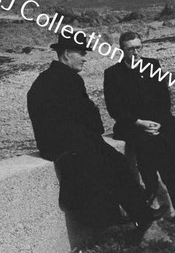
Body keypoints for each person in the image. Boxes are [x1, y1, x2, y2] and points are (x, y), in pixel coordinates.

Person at [26, 30, 166, 241]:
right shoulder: (70, 80)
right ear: (66, 55)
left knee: (113, 164)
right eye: (81, 53)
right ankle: (138, 216)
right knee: (117, 164)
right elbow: (90, 118)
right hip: (73, 144)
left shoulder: (44, 80)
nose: (85, 57)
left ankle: (139, 215)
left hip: (54, 145)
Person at [103, 31, 175, 226]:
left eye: (139, 48)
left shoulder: (152, 65)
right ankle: (148, 212)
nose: (135, 53)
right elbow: (114, 107)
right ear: (122, 50)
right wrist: (139, 123)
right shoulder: (113, 74)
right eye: (130, 49)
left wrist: (156, 125)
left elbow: (163, 99)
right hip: (134, 127)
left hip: (160, 125)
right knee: (147, 167)